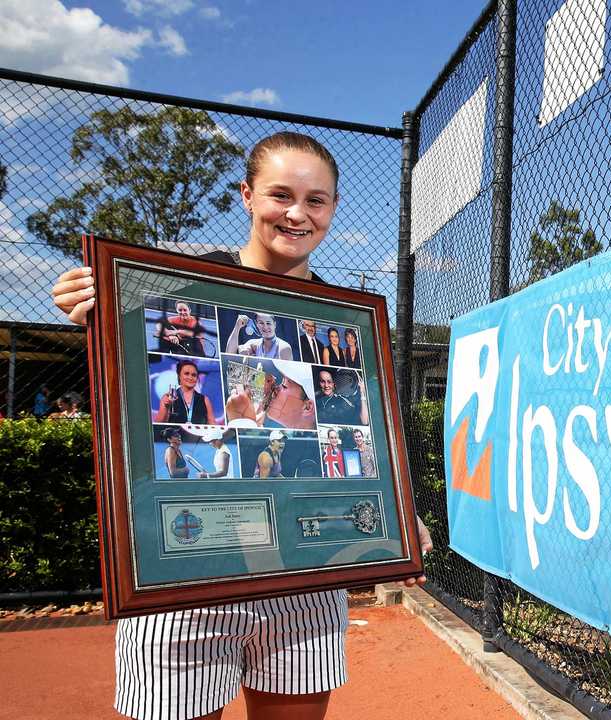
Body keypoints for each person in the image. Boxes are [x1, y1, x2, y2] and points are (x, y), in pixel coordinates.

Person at [51, 131, 432, 720]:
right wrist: (91, 307)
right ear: (248, 196)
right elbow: (129, 391)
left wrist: (400, 513)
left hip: (304, 575)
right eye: (281, 194)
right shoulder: (174, 291)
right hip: (185, 576)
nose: (297, 213)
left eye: (317, 200)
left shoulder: (343, 320)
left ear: (332, 209)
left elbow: (364, 435)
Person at [154, 359, 216, 424]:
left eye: (194, 375)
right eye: (186, 374)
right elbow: (158, 425)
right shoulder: (168, 397)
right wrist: (165, 408)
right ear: (179, 376)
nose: (190, 377)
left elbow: (213, 425)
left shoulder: (205, 399)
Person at [226, 312, 293, 360]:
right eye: (261, 323)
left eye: (268, 323)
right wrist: (237, 326)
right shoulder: (253, 344)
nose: (265, 327)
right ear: (257, 324)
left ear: (274, 324)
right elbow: (229, 355)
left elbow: (287, 377)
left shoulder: (284, 347)